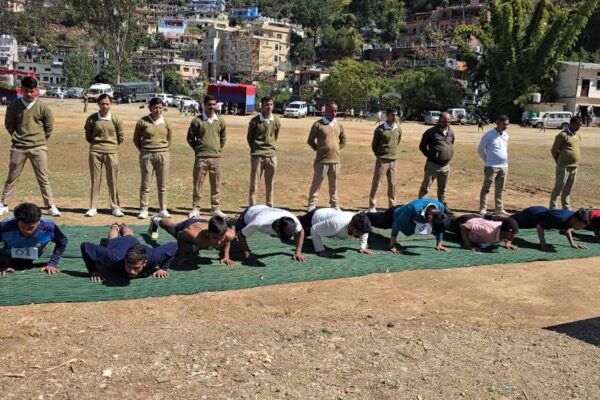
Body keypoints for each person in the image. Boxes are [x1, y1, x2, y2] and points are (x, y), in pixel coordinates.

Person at [0, 77, 60, 217]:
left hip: (38, 147)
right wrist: (17, 136)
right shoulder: (13, 106)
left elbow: (49, 126)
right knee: (12, 176)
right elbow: (9, 124)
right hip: (18, 147)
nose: (29, 94)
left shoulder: (43, 107)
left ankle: (50, 206)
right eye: (26, 91)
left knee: (43, 177)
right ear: (21, 90)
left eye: (32, 91)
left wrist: (40, 139)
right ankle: (4, 204)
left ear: (36, 90)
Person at [81, 222, 178, 282]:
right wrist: (93, 271)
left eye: (136, 268)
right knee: (113, 238)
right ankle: (115, 226)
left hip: (132, 241)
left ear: (145, 263)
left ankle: (123, 225)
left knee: (128, 235)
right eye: (128, 266)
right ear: (124, 260)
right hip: (116, 245)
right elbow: (85, 246)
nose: (131, 271)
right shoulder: (113, 257)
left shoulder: (154, 257)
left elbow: (173, 246)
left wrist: (163, 268)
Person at [84, 94, 125, 218]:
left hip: (112, 152)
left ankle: (115, 207)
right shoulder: (92, 119)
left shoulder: (116, 119)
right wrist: (96, 145)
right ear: (98, 104)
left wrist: (111, 146)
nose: (105, 106)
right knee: (95, 180)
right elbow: (88, 135)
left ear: (111, 104)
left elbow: (120, 136)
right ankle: (93, 207)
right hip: (95, 151)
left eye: (107, 104)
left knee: (112, 180)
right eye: (102, 104)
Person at [0, 203, 68, 276]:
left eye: (31, 227)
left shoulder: (49, 227)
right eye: (22, 227)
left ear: (38, 222)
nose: (27, 231)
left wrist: (52, 263)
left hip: (36, 255)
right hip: (8, 256)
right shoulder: (4, 226)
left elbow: (62, 242)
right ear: (17, 222)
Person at [187, 95, 227, 219]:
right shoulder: (197, 120)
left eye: (213, 104)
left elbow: (223, 138)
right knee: (198, 184)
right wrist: (198, 149)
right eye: (209, 104)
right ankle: (195, 208)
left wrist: (217, 149)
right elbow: (190, 138)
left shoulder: (220, 121)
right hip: (201, 158)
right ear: (204, 105)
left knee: (216, 185)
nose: (211, 107)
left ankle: (215, 208)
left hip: (216, 158)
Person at [133, 97, 173, 219]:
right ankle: (144, 209)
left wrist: (162, 150)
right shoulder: (142, 122)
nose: (158, 110)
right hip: (147, 155)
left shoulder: (166, 123)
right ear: (150, 108)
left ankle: (163, 209)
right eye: (155, 108)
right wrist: (145, 150)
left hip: (163, 155)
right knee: (146, 184)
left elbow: (169, 139)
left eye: (160, 108)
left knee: (163, 184)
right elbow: (136, 139)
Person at [149, 215, 236, 266]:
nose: (219, 242)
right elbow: (180, 236)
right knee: (168, 225)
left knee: (194, 247)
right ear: (208, 233)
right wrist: (182, 258)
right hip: (190, 225)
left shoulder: (229, 235)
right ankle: (155, 219)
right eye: (215, 238)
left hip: (205, 223)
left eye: (221, 238)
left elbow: (227, 240)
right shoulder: (193, 234)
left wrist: (226, 256)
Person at [233, 205, 306, 265]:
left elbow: (301, 231)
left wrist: (298, 252)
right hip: (247, 214)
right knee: (235, 242)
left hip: (263, 209)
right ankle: (230, 221)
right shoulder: (260, 222)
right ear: (277, 228)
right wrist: (247, 256)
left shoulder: (293, 220)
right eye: (280, 236)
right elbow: (241, 236)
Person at [306, 102, 347, 211]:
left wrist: (338, 149)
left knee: (334, 185)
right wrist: (318, 149)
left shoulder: (339, 125)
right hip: (322, 161)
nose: (334, 113)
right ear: (326, 111)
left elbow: (343, 140)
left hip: (335, 161)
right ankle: (312, 204)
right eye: (331, 111)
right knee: (317, 183)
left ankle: (334, 204)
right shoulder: (318, 124)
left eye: (335, 111)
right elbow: (310, 141)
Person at [417, 112, 455, 211]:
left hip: (446, 165)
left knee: (443, 188)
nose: (447, 123)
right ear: (439, 120)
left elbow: (451, 143)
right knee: (426, 186)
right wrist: (431, 156)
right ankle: (420, 205)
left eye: (449, 121)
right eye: (444, 121)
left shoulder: (451, 132)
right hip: (433, 165)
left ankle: (442, 206)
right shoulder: (430, 132)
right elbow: (422, 146)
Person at [247, 96, 281, 207]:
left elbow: (275, 136)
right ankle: (252, 207)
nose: (269, 107)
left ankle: (269, 206)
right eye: (266, 105)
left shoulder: (276, 121)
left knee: (270, 183)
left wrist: (270, 148)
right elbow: (250, 138)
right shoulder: (255, 121)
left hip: (271, 155)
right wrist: (256, 148)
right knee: (255, 183)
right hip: (257, 155)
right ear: (262, 106)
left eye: (271, 104)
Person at [298, 208, 372, 257]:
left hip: (330, 217)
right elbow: (314, 230)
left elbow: (365, 232)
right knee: (296, 230)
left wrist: (362, 246)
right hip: (314, 217)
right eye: (358, 232)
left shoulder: (361, 228)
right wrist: (321, 250)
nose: (360, 235)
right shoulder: (337, 224)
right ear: (351, 225)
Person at [510, 206, 589, 251]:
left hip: (541, 214)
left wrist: (572, 244)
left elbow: (567, 228)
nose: (582, 228)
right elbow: (539, 227)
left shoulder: (572, 219)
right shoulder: (560, 218)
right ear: (575, 220)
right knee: (510, 222)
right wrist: (543, 245)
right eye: (581, 225)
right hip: (532, 215)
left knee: (510, 221)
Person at [368, 108, 402, 212]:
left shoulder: (398, 129)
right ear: (387, 116)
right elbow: (374, 145)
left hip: (393, 160)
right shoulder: (380, 130)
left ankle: (392, 206)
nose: (394, 117)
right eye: (392, 115)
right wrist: (380, 155)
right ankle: (372, 206)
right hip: (382, 160)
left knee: (392, 184)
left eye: (396, 115)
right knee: (377, 183)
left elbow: (397, 141)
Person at [478, 114, 510, 215]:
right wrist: (487, 160)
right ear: (497, 123)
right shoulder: (489, 135)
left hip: (504, 166)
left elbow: (505, 149)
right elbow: (480, 149)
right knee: (486, 188)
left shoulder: (506, 136)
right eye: (504, 124)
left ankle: (499, 208)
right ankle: (483, 208)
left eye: (507, 124)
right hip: (491, 166)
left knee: (500, 189)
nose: (506, 126)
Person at [549, 116, 582, 210]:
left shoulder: (578, 135)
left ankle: (566, 207)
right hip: (564, 166)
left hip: (574, 166)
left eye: (580, 125)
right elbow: (554, 150)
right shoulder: (562, 135)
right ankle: (553, 208)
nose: (579, 127)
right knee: (558, 188)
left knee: (568, 189)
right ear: (571, 124)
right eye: (577, 125)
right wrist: (558, 161)